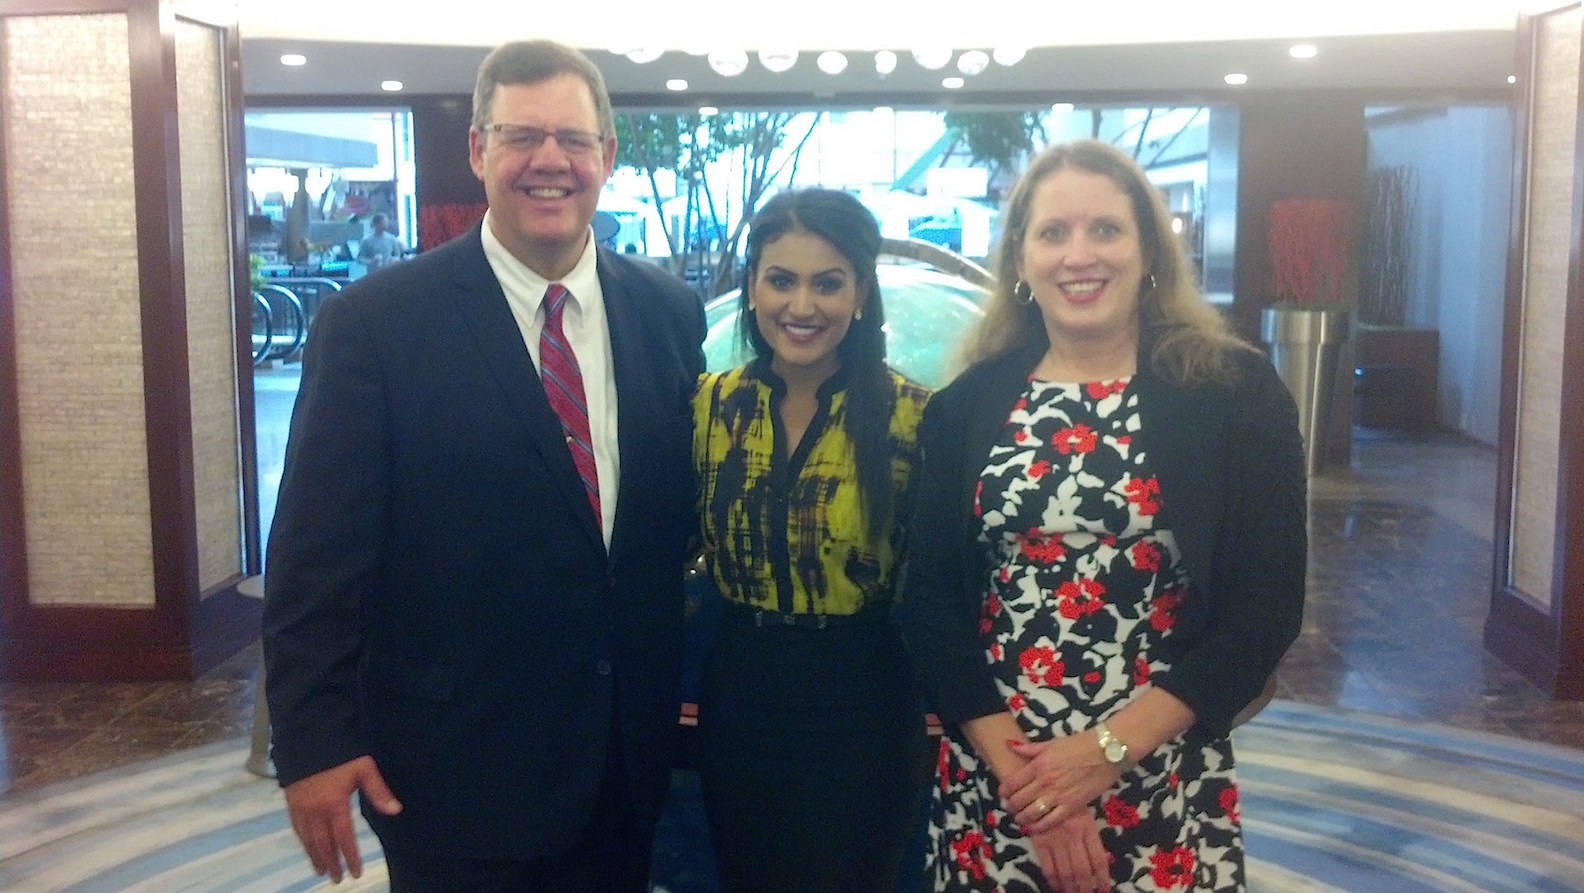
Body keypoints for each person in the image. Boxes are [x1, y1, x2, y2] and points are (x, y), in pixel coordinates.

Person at [261, 39, 705, 892]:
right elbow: (315, 563)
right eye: (521, 136)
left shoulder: (667, 311)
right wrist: (313, 744)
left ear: (606, 156)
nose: (550, 161)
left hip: (623, 764)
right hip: (453, 770)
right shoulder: (376, 326)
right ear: (477, 149)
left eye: (574, 139)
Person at [902, 139, 1306, 893]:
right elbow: (927, 603)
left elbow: (1267, 605)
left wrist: (1103, 752)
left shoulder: (1234, 394)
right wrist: (1037, 789)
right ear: (1020, 260)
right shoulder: (965, 406)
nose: (1078, 254)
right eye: (1052, 232)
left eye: (1106, 230)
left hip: (1162, 774)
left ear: (1149, 249)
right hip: (1000, 784)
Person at [692, 187, 933, 892]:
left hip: (865, 695)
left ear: (861, 290)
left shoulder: (914, 418)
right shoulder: (707, 406)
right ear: (753, 286)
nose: (802, 306)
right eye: (781, 280)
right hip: (741, 688)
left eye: (827, 283)